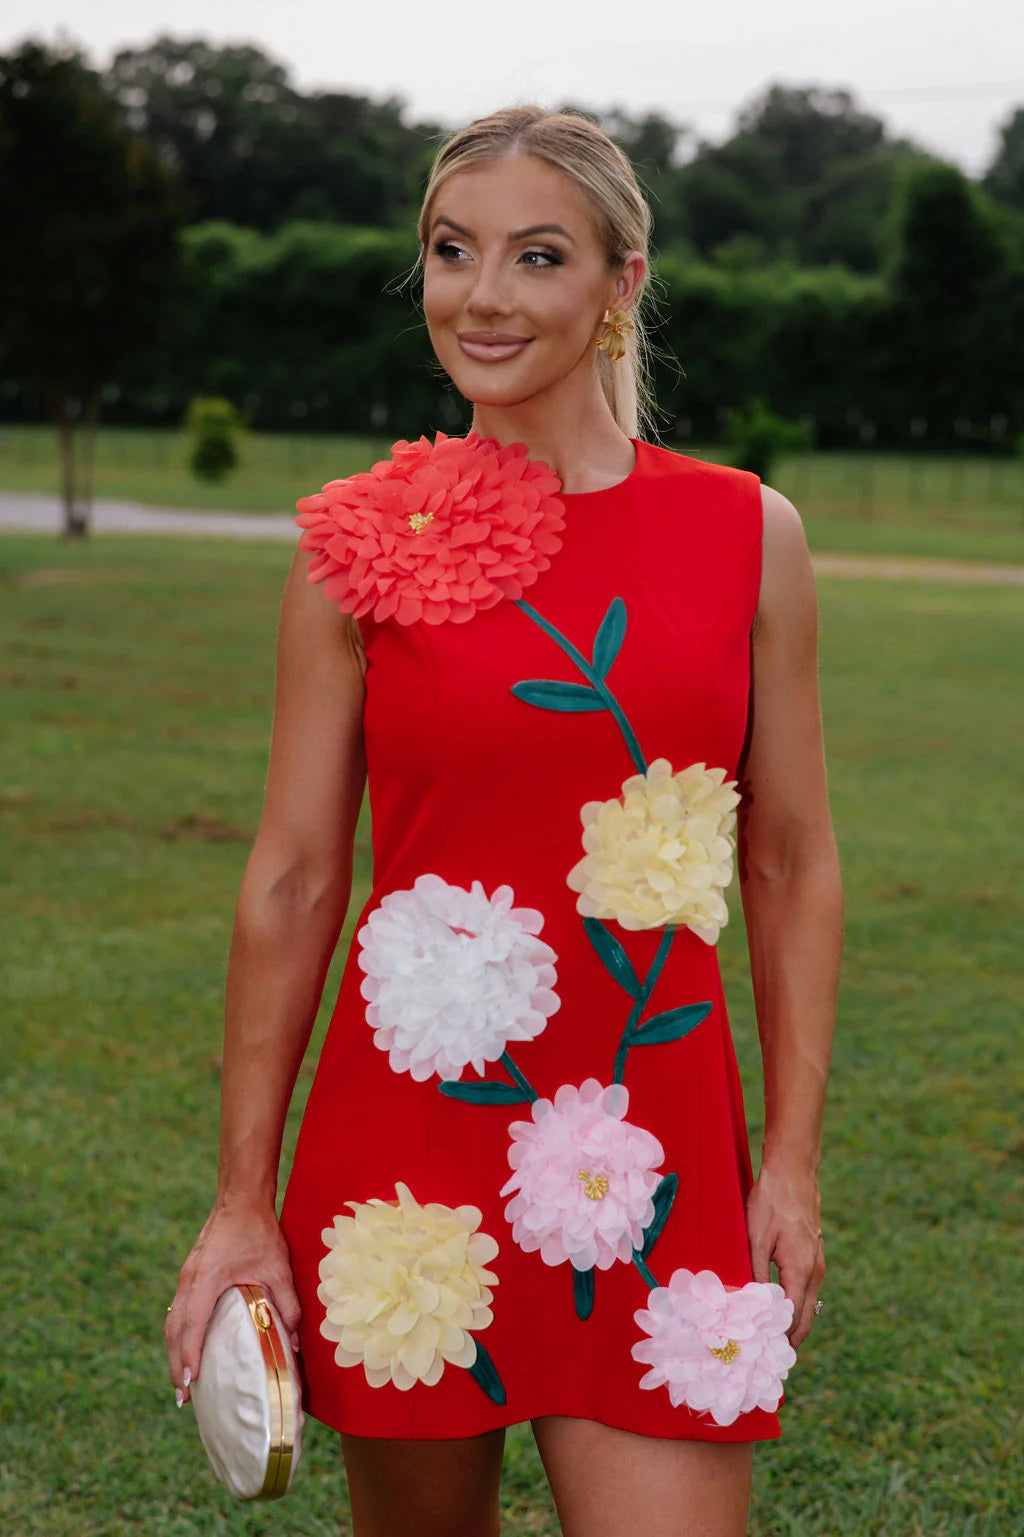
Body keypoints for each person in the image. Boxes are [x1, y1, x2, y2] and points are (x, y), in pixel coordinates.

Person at [164, 104, 842, 1537]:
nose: (483, 295)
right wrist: (241, 1197)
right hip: (408, 1159)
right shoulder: (355, 549)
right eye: (451, 251)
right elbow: (291, 880)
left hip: (658, 1154)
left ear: (621, 282)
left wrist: (788, 1155)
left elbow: (787, 860)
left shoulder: (746, 534)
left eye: (539, 256)